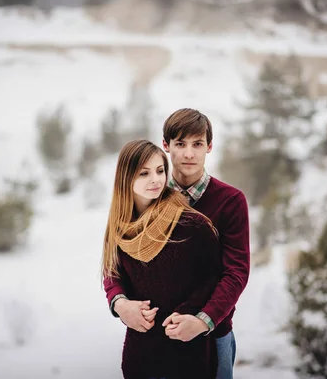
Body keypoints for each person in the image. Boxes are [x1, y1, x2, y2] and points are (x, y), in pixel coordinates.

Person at [104, 108, 250, 379]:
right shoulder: (149, 191)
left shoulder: (230, 201)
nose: (188, 153)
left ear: (209, 146)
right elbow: (115, 261)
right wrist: (119, 303)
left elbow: (236, 273)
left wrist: (202, 320)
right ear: (166, 145)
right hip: (152, 343)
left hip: (212, 334)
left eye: (197, 144)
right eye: (180, 144)